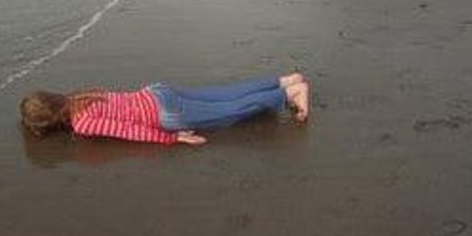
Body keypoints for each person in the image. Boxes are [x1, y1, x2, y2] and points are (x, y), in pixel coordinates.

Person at [19, 72, 310, 146]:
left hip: (166, 115)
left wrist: (172, 137)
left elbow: (128, 130)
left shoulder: (82, 122)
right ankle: (284, 81)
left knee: (228, 111)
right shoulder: (79, 97)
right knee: (221, 93)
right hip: (156, 92)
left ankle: (291, 93)